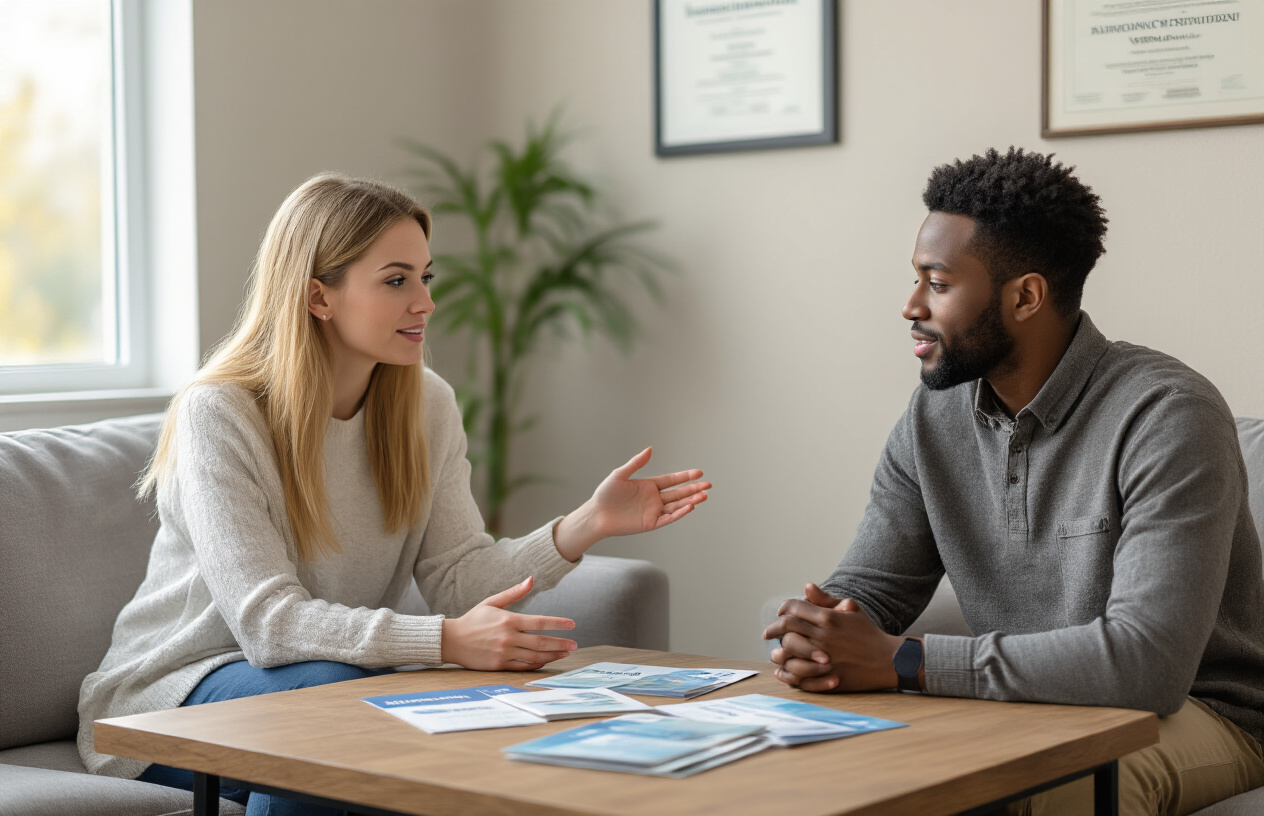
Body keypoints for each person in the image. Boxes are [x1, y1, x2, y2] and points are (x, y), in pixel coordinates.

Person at [77, 174, 710, 815]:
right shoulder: (223, 412)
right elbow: (268, 624)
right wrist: (445, 642)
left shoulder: (426, 404)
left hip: (332, 678)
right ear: (319, 296)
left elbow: (459, 577)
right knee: (332, 706)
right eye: (396, 280)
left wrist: (584, 525)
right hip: (176, 691)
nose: (426, 305)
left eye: (426, 278)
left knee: (380, 714)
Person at [763, 148, 1264, 815]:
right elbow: (874, 586)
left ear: (1025, 296)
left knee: (1062, 784)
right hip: (1023, 706)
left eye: (937, 284)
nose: (910, 305)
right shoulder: (934, 414)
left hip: (1206, 713)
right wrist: (823, 631)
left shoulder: (1167, 414)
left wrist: (906, 663)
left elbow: (1149, 667)